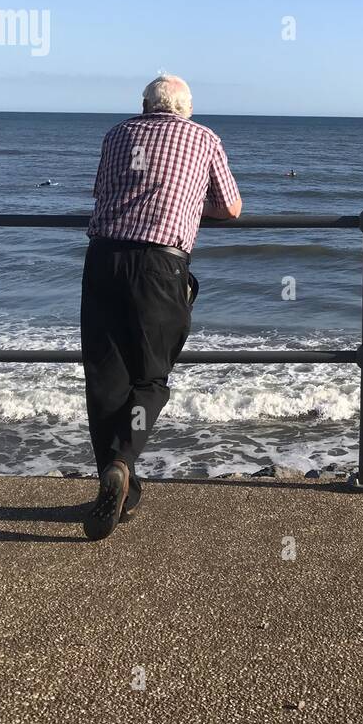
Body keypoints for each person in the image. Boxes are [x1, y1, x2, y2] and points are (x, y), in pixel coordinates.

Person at [80, 74, 242, 540]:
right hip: (158, 266)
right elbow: (230, 208)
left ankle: (120, 490)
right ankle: (121, 461)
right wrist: (192, 206)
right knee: (151, 377)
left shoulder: (116, 134)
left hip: (103, 259)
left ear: (143, 105)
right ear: (185, 109)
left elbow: (102, 195)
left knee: (105, 377)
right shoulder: (203, 137)